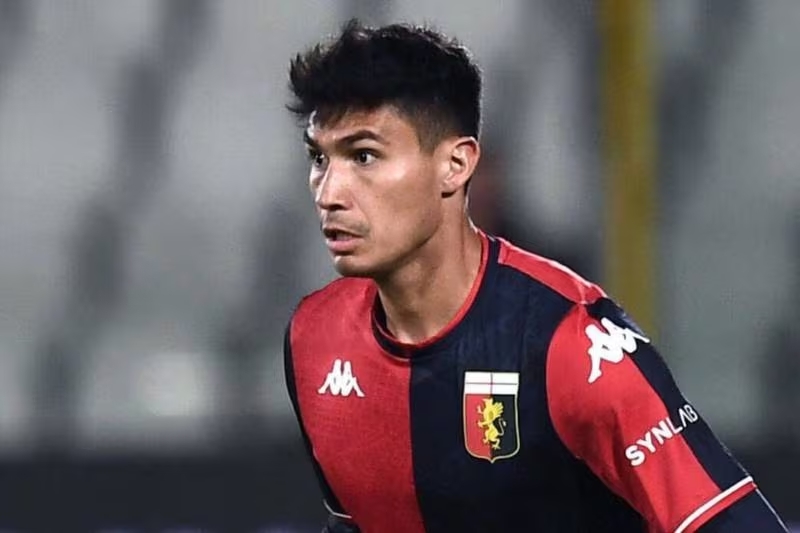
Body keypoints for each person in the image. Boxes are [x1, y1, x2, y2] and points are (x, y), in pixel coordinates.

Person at [282, 19, 787, 533]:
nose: (329, 193)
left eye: (364, 156)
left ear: (455, 164)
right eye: (319, 158)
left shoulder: (574, 344)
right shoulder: (313, 336)